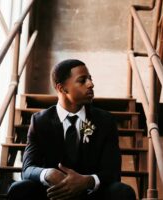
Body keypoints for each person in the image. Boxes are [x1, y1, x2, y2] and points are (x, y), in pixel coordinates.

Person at [8, 59, 136, 200]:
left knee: (123, 192)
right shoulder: (40, 121)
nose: (91, 84)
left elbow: (112, 172)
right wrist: (48, 174)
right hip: (53, 193)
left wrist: (86, 181)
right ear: (61, 88)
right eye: (82, 80)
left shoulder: (105, 121)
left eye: (90, 79)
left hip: (91, 195)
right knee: (19, 190)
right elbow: (27, 169)